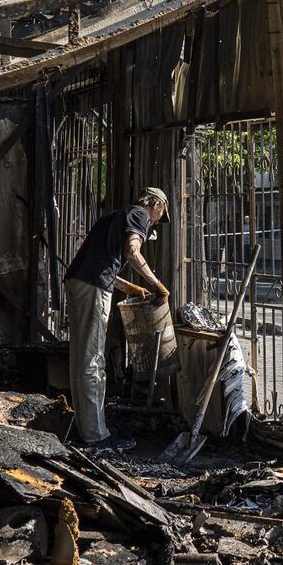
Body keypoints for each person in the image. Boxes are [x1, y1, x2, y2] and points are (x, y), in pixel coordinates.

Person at [63, 187, 171, 450]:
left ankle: (84, 426)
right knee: (93, 360)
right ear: (155, 204)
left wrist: (129, 288)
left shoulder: (115, 216)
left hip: (77, 281)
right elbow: (133, 251)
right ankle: (96, 436)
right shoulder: (139, 215)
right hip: (93, 287)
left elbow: (101, 261)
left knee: (80, 358)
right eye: (160, 215)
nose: (156, 221)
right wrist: (157, 284)